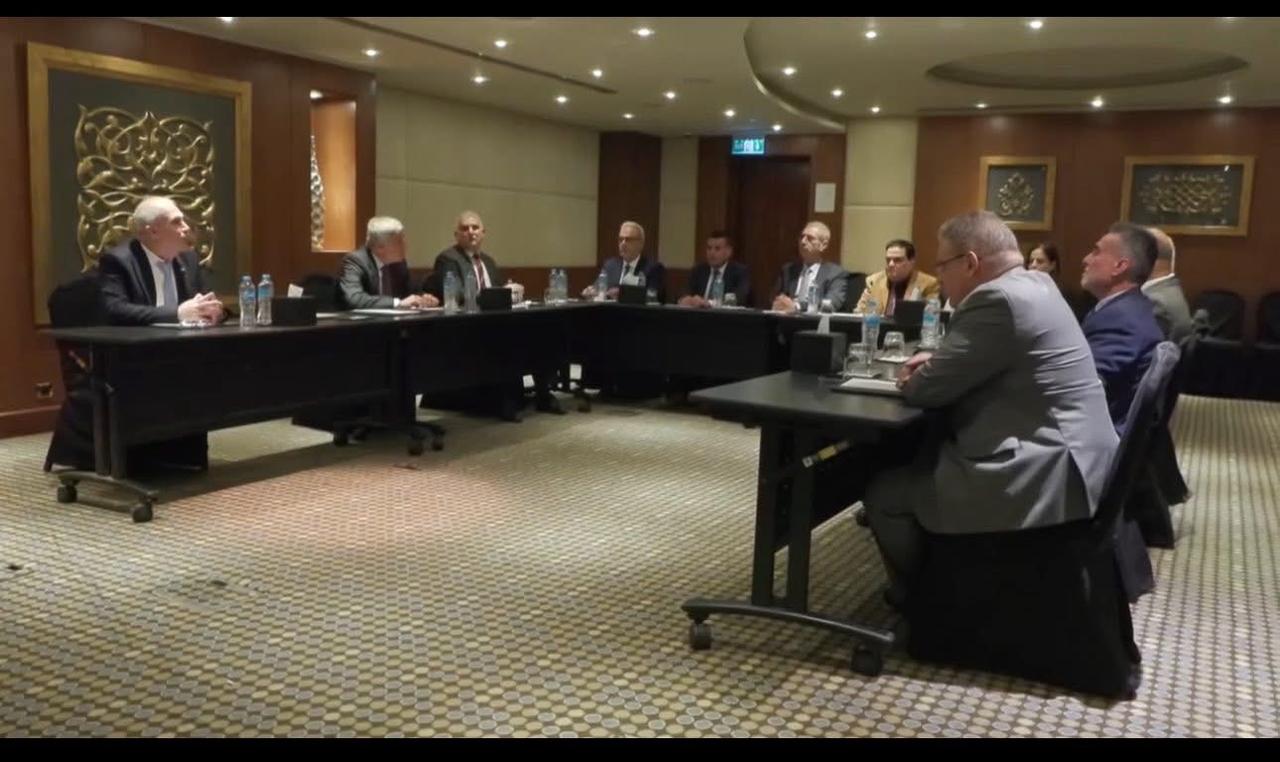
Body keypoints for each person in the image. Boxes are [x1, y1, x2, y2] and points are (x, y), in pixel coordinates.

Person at [862, 210, 1118, 605]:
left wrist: (917, 376)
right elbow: (993, 357)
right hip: (1080, 457)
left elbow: (925, 391)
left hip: (1042, 471)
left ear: (970, 263)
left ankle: (927, 603)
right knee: (926, 451)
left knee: (885, 494)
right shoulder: (1037, 284)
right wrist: (941, 364)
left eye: (942, 266)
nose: (940, 277)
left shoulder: (995, 299)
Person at [1080, 223, 1164, 430]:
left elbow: (1083, 389)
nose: (1086, 259)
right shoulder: (1125, 309)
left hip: (1098, 436)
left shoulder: (1123, 321)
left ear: (1120, 266)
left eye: (1096, 252)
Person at [98, 196, 227, 326]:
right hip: (143, 337)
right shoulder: (119, 261)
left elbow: (206, 300)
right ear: (154, 232)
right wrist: (177, 313)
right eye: (176, 222)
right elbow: (116, 309)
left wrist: (214, 310)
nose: (186, 227)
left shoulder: (189, 258)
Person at [337, 217, 438, 310]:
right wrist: (397, 303)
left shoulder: (399, 263)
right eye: (399, 242)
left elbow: (409, 294)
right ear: (380, 248)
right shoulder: (355, 261)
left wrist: (423, 299)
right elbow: (355, 298)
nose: (406, 245)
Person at [770, 221, 847, 312]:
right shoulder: (788, 270)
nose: (803, 242)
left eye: (810, 238)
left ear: (823, 245)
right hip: (786, 319)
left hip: (814, 320)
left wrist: (797, 306)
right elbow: (775, 298)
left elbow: (831, 303)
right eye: (801, 237)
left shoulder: (835, 273)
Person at [582, 221, 666, 303]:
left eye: (628, 240)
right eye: (620, 239)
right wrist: (591, 292)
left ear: (641, 243)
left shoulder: (653, 268)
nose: (623, 243)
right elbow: (598, 288)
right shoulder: (610, 265)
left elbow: (654, 295)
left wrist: (623, 294)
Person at [854, 239, 940, 315]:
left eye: (898, 260)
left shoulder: (929, 284)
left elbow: (930, 317)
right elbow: (859, 313)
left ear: (912, 262)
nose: (891, 264)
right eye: (888, 260)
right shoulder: (874, 281)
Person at [678, 230, 752, 308]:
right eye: (709, 248)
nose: (712, 253)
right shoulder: (698, 270)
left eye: (717, 249)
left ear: (728, 252)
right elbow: (684, 290)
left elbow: (739, 296)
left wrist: (710, 303)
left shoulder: (740, 272)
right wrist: (686, 298)